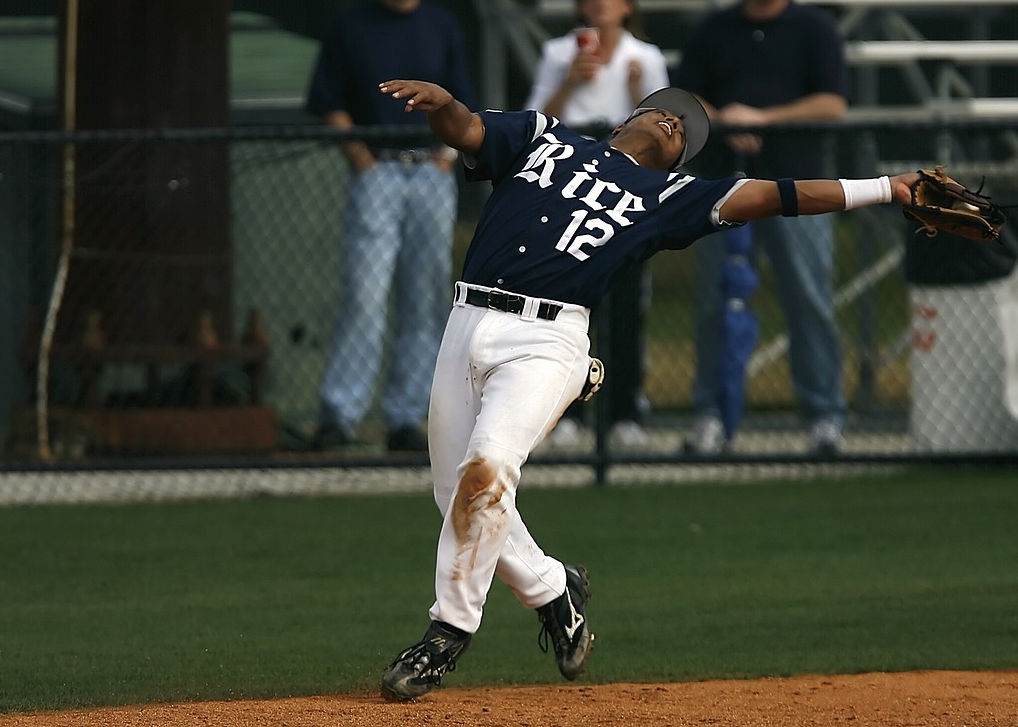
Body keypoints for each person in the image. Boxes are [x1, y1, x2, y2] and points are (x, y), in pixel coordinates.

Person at [371, 75, 918, 701]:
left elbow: (775, 195)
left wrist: (886, 188)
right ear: (633, 115)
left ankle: (447, 635)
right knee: (455, 492)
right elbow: (467, 130)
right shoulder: (543, 137)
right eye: (669, 114)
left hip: (548, 340)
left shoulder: (668, 194)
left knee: (487, 471)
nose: (675, 125)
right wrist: (443, 106)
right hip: (466, 320)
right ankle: (556, 590)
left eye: (686, 132)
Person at [674, 0, 850, 457]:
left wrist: (766, 118)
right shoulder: (713, 29)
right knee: (714, 301)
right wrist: (726, 118)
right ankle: (711, 413)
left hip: (799, 185)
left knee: (809, 298)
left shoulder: (815, 30)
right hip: (722, 186)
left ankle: (824, 415)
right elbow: (685, 99)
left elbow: (832, 104)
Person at [305, 0, 477, 452]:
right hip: (377, 171)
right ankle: (341, 411)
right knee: (366, 293)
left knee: (423, 299)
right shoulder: (349, 26)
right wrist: (356, 152)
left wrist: (449, 154)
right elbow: (327, 98)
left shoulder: (442, 25)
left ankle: (406, 415)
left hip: (431, 171)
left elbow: (462, 101)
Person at [524, 0, 669, 451]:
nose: (602, 0)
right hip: (570, 178)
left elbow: (664, 134)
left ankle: (626, 411)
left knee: (626, 300)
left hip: (624, 183)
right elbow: (535, 121)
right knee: (565, 300)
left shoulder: (643, 57)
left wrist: (634, 95)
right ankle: (564, 414)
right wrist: (569, 83)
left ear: (627, 4)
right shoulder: (559, 52)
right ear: (583, 4)